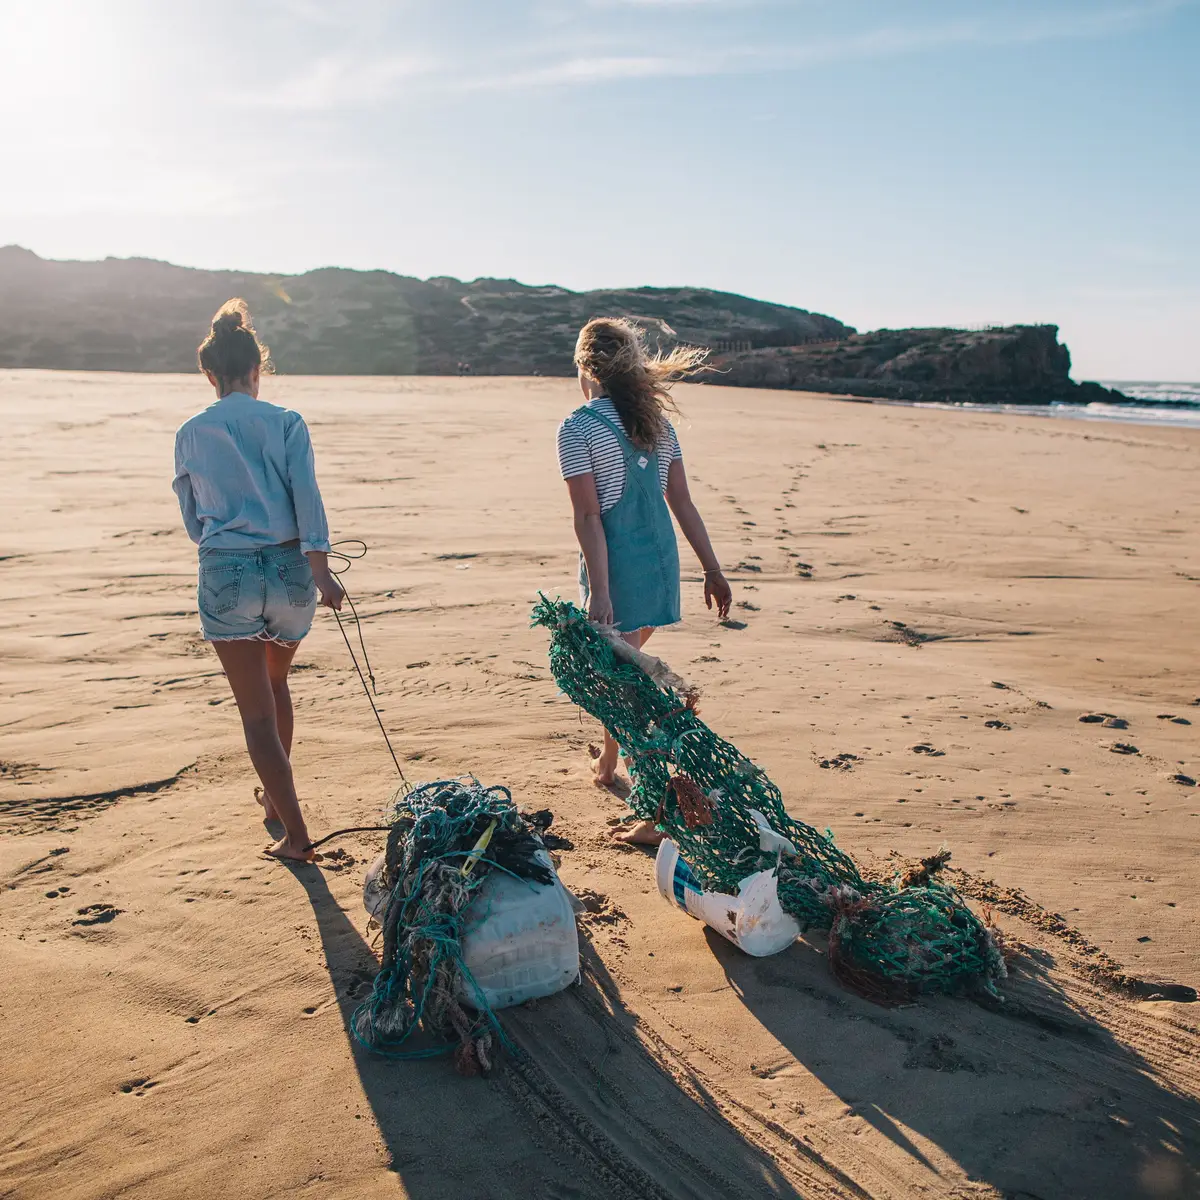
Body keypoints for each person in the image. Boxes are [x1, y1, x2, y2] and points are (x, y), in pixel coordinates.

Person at [172, 300, 344, 862]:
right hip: (293, 571)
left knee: (256, 714)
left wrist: (225, 540)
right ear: (256, 371)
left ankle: (296, 835)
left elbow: (193, 517)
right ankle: (275, 805)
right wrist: (321, 572)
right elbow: (308, 499)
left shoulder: (192, 431)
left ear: (210, 375)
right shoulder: (288, 422)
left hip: (228, 569)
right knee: (277, 687)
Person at [557, 317, 733, 845]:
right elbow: (681, 502)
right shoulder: (659, 424)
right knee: (625, 672)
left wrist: (602, 591)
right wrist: (712, 568)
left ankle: (658, 814)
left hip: (618, 568)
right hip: (660, 561)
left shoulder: (578, 426)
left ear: (585, 368)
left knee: (628, 690)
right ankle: (609, 767)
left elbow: (589, 518)